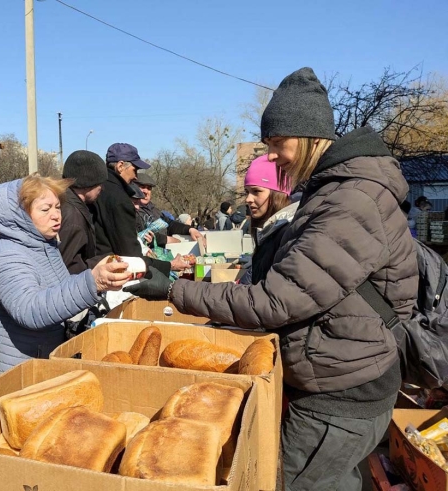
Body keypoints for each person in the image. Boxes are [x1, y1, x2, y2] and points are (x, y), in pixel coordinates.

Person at [124, 67, 418, 491]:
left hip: (340, 395)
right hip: (344, 379)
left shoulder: (350, 199)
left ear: (312, 136)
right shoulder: (336, 190)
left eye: (279, 144)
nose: (273, 155)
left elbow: (275, 302)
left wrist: (172, 289)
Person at [0, 175, 131, 374]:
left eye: (57, 207)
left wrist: (97, 280)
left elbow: (58, 288)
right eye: (45, 209)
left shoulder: (44, 245)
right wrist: (92, 283)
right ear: (20, 215)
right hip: (11, 376)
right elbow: (30, 309)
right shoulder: (8, 254)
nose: (57, 215)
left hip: (36, 364)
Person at [89, 143, 172, 275]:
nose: (136, 176)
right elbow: (130, 253)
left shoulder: (98, 189)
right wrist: (167, 267)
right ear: (120, 166)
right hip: (113, 272)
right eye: (135, 170)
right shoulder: (119, 198)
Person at [239, 155, 294, 285]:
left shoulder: (289, 233)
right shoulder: (269, 231)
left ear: (278, 194)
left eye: (256, 191)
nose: (248, 199)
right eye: (247, 192)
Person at [59, 150, 107, 275]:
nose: (102, 188)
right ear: (88, 183)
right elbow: (68, 269)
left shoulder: (64, 202)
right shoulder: (72, 216)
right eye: (100, 183)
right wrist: (101, 262)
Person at [134, 172, 203, 246]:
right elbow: (138, 235)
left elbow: (170, 224)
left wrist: (190, 229)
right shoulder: (131, 210)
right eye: (142, 187)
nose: (146, 191)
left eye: (149, 188)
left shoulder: (155, 210)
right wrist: (167, 240)